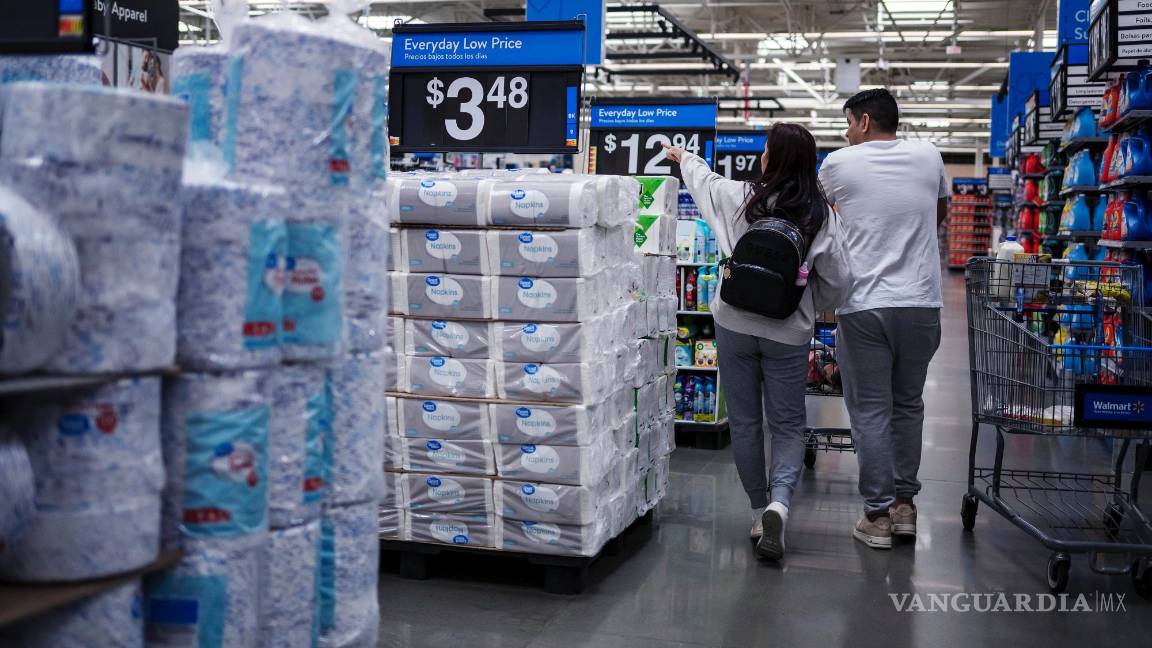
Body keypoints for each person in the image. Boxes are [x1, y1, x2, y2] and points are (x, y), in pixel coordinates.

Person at [664, 123, 853, 561]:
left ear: (774, 158)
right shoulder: (820, 215)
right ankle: (779, 504)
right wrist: (804, 304)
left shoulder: (743, 197)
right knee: (787, 424)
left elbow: (705, 183)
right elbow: (841, 282)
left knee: (746, 423)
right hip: (787, 331)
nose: (762, 156)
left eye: (767, 150)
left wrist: (684, 158)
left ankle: (755, 509)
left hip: (733, 322)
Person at [817, 88, 947, 550]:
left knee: (870, 411)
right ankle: (904, 507)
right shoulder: (930, 156)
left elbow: (820, 219)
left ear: (865, 122)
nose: (847, 133)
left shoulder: (837, 164)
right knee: (908, 404)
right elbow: (939, 214)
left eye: (849, 123)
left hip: (865, 303)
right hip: (921, 302)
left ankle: (876, 516)